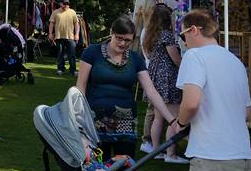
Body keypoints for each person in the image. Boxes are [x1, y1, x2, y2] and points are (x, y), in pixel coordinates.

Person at [175, 10, 251, 171]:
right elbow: (246, 112)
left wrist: (180, 123)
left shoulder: (194, 56)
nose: (184, 42)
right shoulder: (236, 62)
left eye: (182, 35)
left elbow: (191, 103)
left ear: (194, 30)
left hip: (211, 157)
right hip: (242, 158)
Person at [75, 15, 178, 160]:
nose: (123, 43)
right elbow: (80, 88)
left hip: (126, 124)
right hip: (94, 122)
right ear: (111, 33)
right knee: (97, 169)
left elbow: (151, 91)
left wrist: (172, 121)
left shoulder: (135, 59)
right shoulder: (92, 52)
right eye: (119, 38)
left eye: (128, 40)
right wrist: (79, 118)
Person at [142, 4, 184, 161]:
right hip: (167, 76)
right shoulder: (166, 35)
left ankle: (156, 149)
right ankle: (171, 154)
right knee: (174, 116)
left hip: (154, 75)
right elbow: (175, 58)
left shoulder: (149, 34)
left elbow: (148, 54)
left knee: (158, 117)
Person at [49, 0, 80, 76]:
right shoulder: (55, 12)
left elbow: (76, 24)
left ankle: (73, 70)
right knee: (60, 54)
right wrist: (50, 33)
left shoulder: (72, 12)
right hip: (59, 37)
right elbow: (51, 23)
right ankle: (60, 69)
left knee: (72, 54)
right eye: (65, 3)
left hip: (70, 37)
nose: (66, 5)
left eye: (67, 4)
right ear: (60, 4)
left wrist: (77, 34)